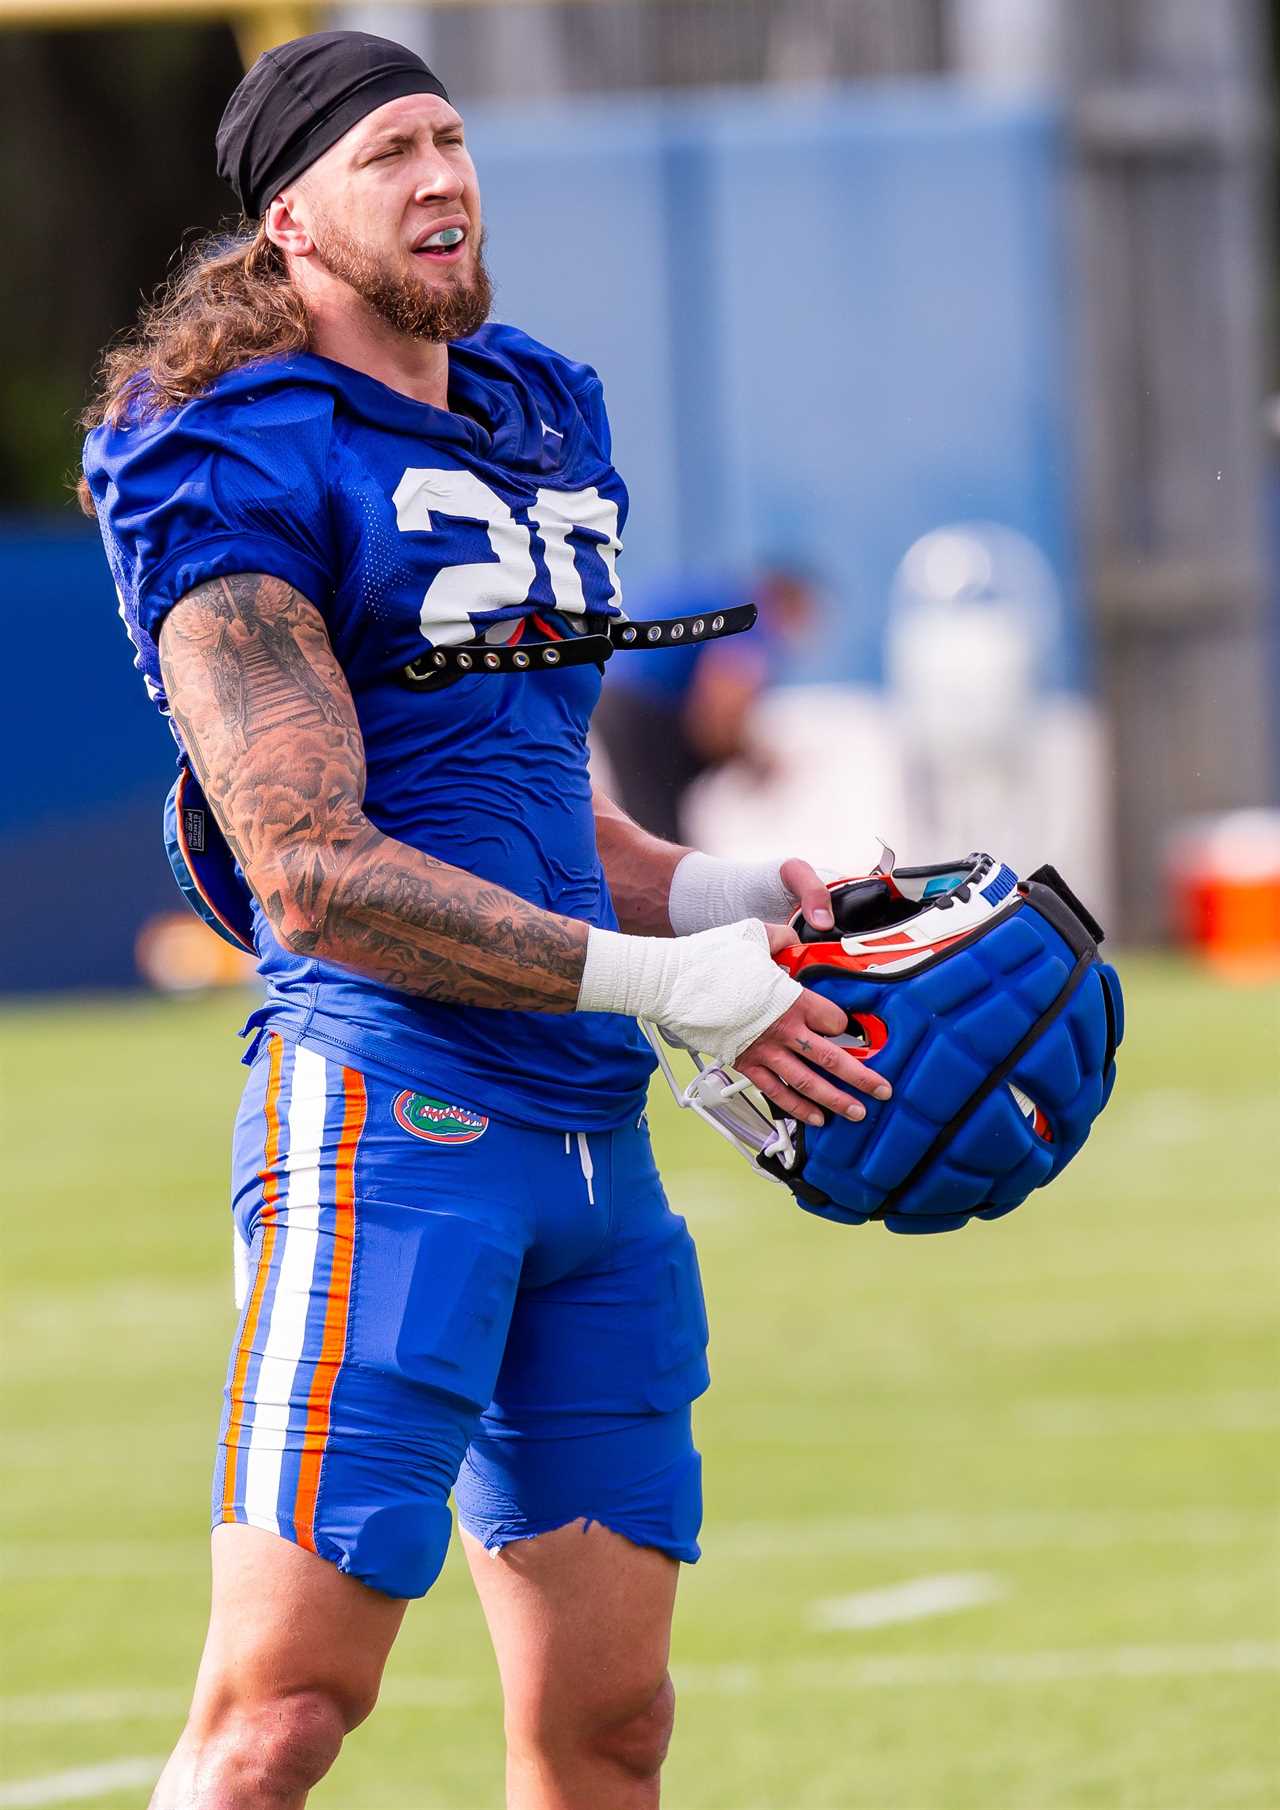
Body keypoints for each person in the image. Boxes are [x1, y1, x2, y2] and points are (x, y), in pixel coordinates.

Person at [79, 32, 891, 1809]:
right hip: (389, 1127)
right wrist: (672, 982)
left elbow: (532, 811)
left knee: (611, 1732)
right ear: (289, 216)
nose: (441, 176)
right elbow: (310, 867)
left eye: (452, 138)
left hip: (589, 1148)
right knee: (280, 1717)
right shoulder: (229, 449)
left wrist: (750, 900)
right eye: (388, 153)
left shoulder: (535, 414)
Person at [593, 566, 819, 842]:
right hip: (642, 711)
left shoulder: (720, 603)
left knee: (655, 826)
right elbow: (717, 718)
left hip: (620, 700)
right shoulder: (751, 622)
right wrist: (752, 759)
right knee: (658, 834)